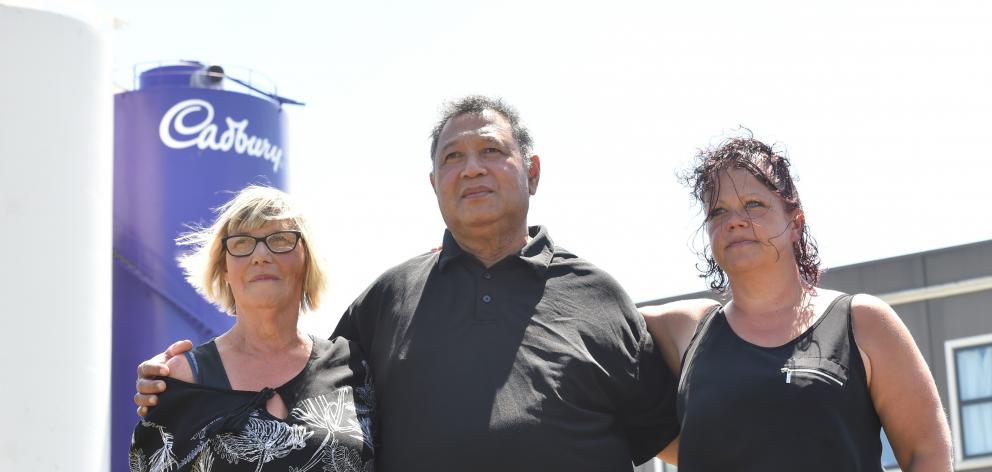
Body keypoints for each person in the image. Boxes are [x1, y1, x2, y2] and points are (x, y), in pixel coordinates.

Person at [136, 96, 679, 471]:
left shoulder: (599, 296)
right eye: (452, 158)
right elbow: (305, 382)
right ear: (433, 183)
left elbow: (675, 438)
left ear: (531, 171)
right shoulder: (389, 298)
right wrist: (178, 380)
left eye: (491, 151)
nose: (471, 169)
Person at [642, 136, 953, 470]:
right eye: (717, 211)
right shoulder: (683, 329)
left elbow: (928, 452)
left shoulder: (862, 322)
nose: (733, 220)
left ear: (795, 223)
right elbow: (594, 322)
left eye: (753, 204)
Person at [129, 186, 374, 472]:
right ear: (224, 268)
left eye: (280, 239)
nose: (260, 255)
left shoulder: (353, 366)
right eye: (243, 243)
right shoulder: (184, 378)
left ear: (306, 260)